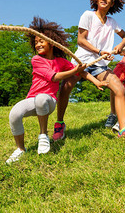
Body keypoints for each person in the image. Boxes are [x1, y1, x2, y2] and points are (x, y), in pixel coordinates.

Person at [6, 17, 107, 164]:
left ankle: (43, 135)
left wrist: (96, 81)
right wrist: (74, 72)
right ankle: (20, 149)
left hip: (49, 100)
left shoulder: (61, 62)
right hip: (32, 99)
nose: (38, 45)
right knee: (14, 114)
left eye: (41, 41)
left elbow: (82, 72)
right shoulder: (36, 60)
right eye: (36, 43)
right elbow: (54, 77)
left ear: (51, 42)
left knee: (42, 98)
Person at [72, 0, 125, 140]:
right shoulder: (87, 15)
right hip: (82, 60)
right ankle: (59, 123)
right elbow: (80, 40)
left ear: (112, 3)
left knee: (118, 88)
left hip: (100, 65)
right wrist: (99, 51)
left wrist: (119, 46)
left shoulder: (112, 22)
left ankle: (123, 129)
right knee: (66, 88)